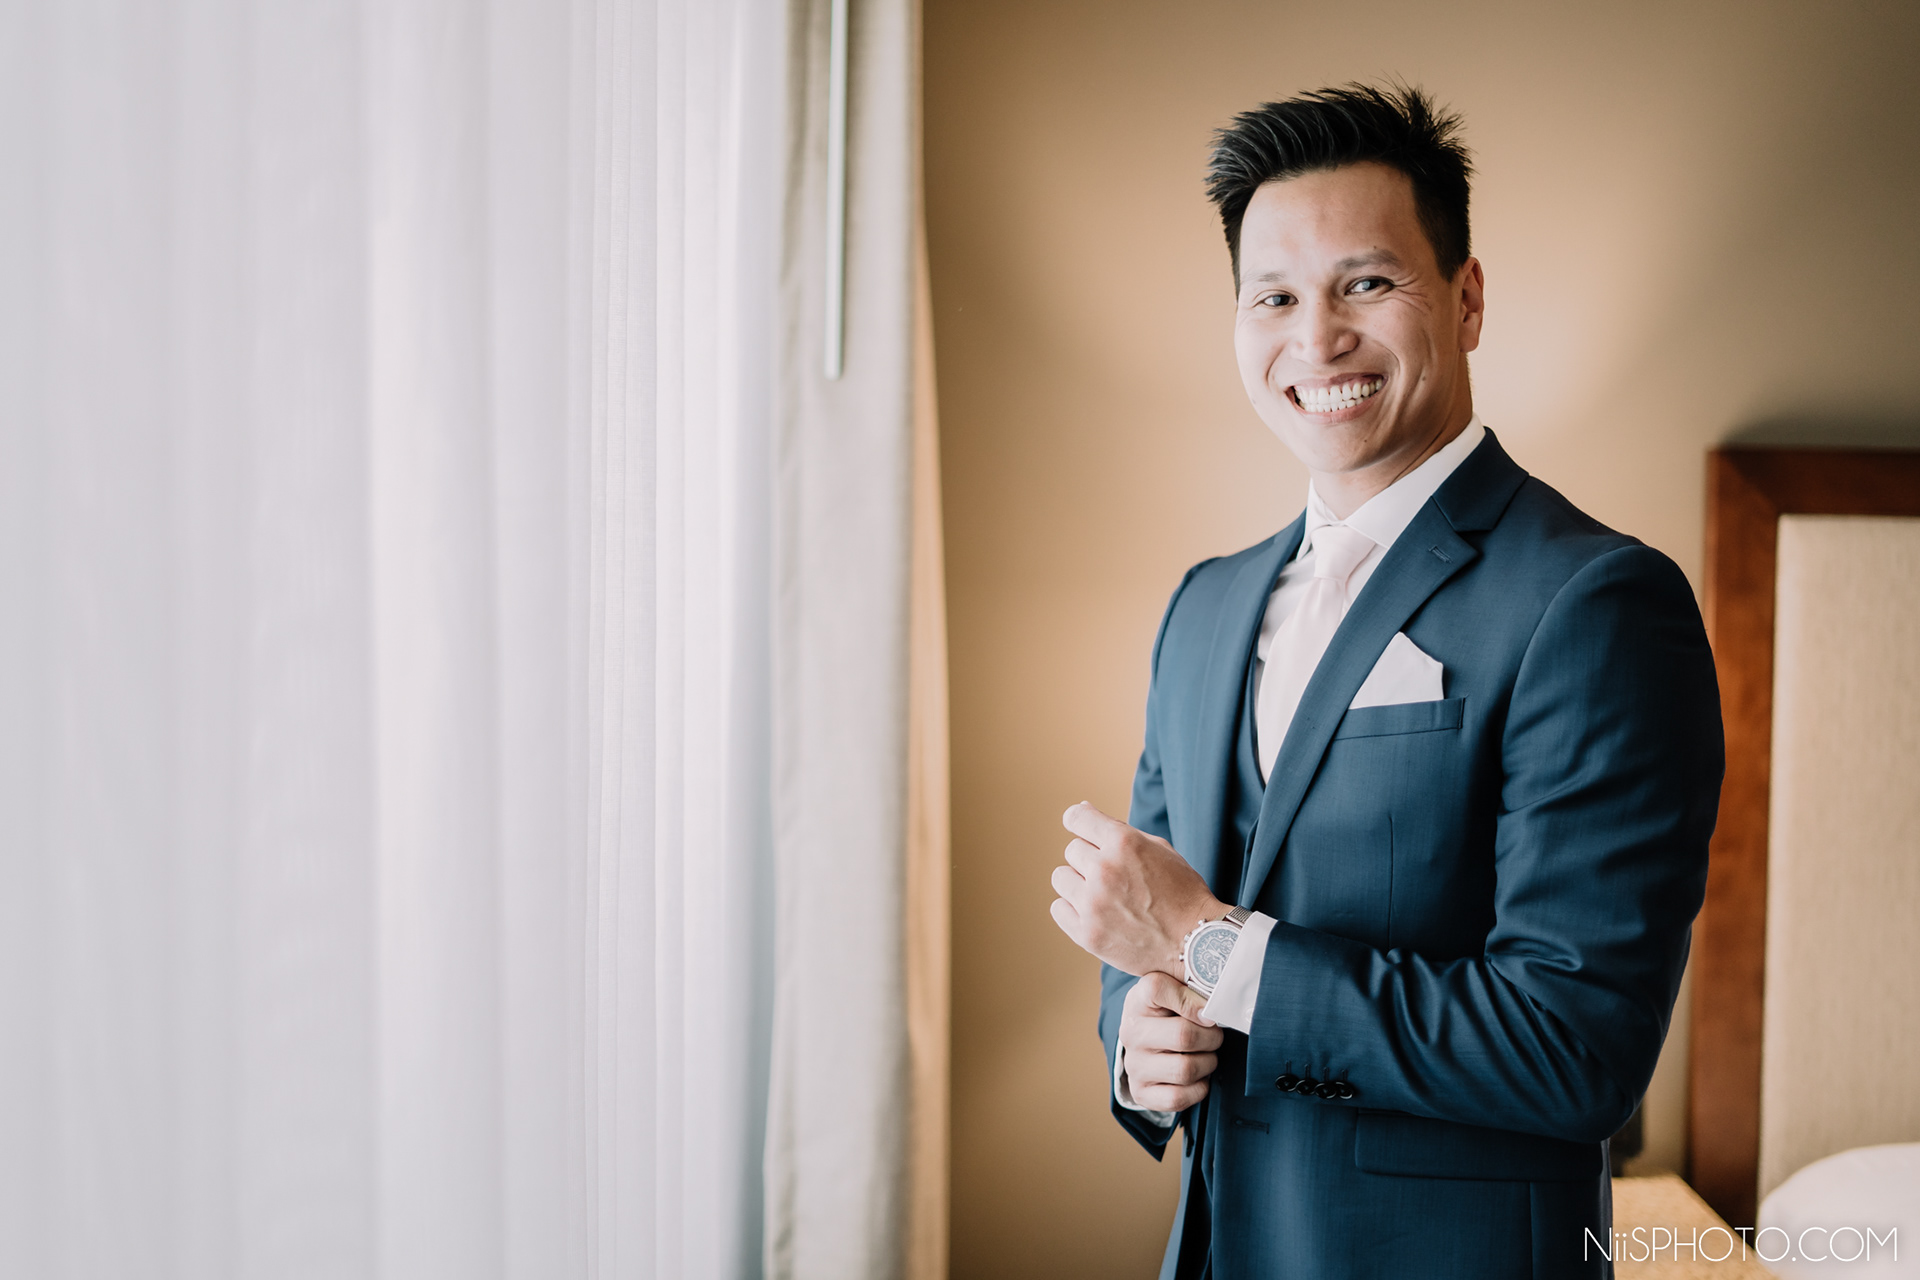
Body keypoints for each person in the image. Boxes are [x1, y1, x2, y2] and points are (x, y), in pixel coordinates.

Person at [1046, 84, 1724, 1279]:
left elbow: (1575, 1049)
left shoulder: (1597, 600)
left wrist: (1211, 946)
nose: (1317, 339)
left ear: (1467, 300)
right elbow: (1154, 935)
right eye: (1275, 296)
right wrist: (1138, 1043)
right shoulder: (1203, 607)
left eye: (1365, 283)